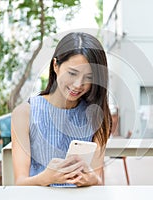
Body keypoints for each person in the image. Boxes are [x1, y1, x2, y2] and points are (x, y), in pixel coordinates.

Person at [11, 32, 111, 187]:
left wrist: (91, 179)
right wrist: (47, 178)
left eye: (89, 77)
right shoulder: (24, 113)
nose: (78, 84)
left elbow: (97, 181)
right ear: (55, 65)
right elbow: (20, 183)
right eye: (72, 73)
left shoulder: (96, 115)